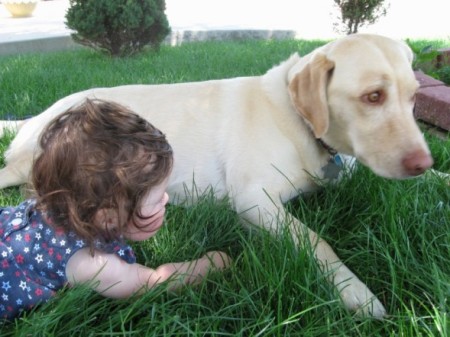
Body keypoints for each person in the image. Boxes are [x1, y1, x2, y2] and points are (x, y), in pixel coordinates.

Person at [0, 99, 231, 320]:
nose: (166, 200)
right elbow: (153, 283)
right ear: (107, 216)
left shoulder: (64, 201)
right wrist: (210, 264)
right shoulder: (90, 264)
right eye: (157, 198)